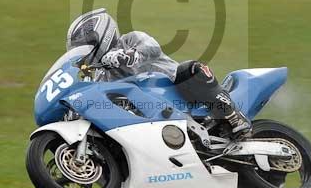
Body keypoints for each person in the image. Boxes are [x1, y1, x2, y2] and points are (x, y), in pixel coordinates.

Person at [66, 8, 251, 139]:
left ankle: (233, 116)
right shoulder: (100, 76)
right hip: (151, 118)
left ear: (102, 35)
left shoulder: (131, 39)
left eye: (86, 45)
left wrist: (129, 55)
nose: (85, 51)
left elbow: (152, 47)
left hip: (180, 93)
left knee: (190, 69)